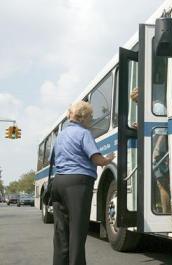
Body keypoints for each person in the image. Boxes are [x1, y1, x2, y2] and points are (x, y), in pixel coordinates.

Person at [51, 101, 115, 265]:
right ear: (83, 117)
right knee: (77, 232)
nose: (91, 120)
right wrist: (108, 159)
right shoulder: (84, 133)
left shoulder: (61, 136)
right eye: (91, 116)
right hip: (77, 184)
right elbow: (96, 159)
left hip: (58, 183)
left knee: (61, 233)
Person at [130, 87, 170, 213]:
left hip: (161, 152)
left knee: (162, 183)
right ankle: (160, 209)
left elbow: (163, 131)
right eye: (136, 102)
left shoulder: (158, 108)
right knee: (158, 183)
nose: (138, 104)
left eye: (138, 101)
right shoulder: (149, 110)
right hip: (155, 151)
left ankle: (166, 213)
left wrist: (157, 150)